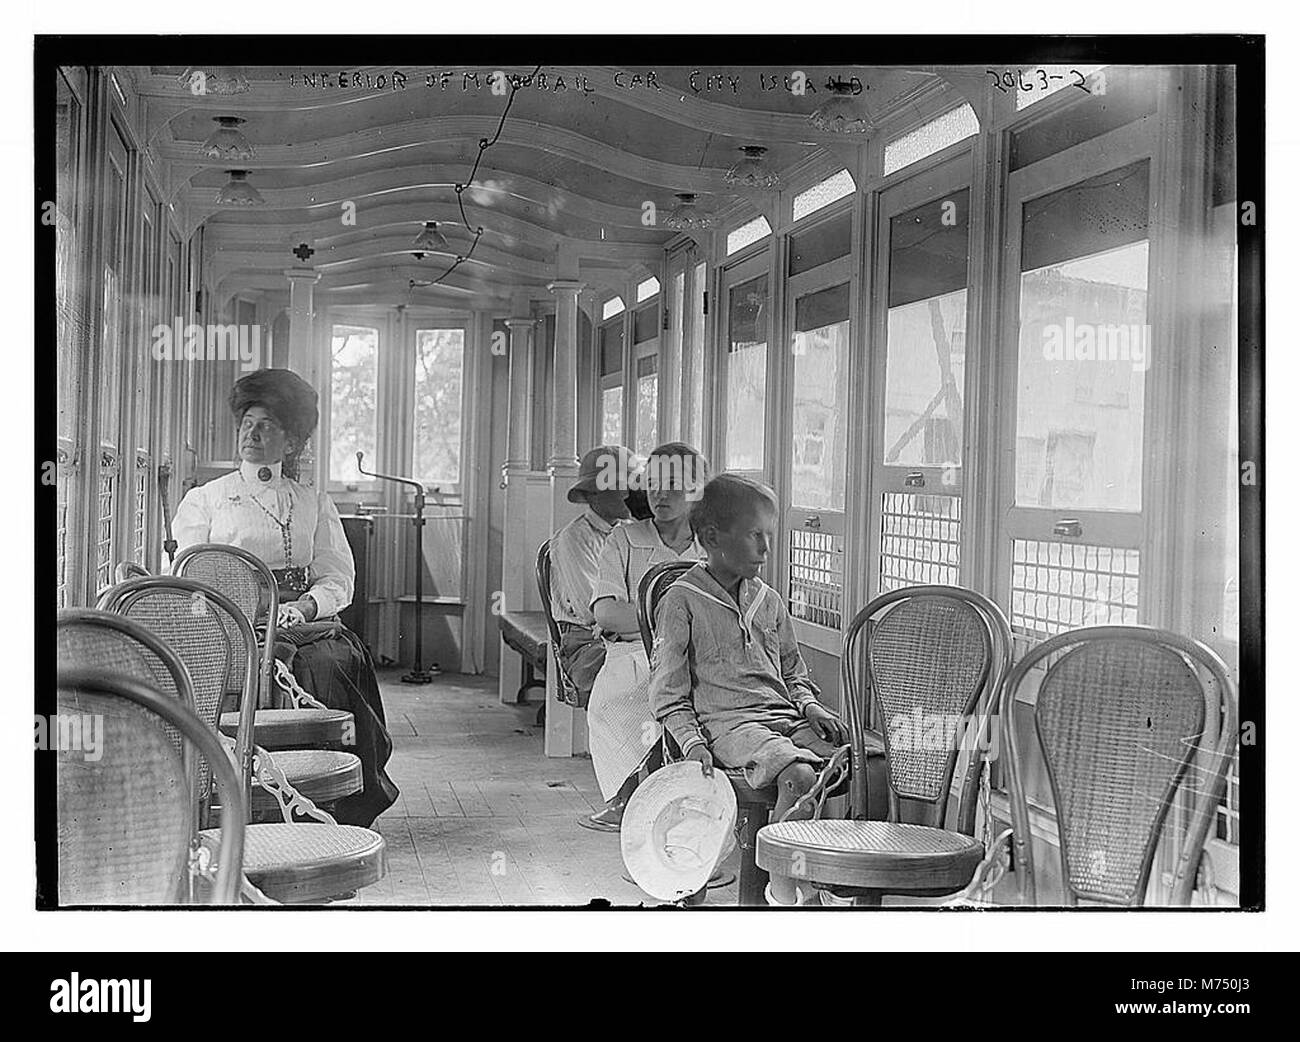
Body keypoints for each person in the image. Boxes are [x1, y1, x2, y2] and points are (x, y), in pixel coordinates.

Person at [172, 368, 399, 827]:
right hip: (225, 626)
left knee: (332, 665)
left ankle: (331, 801)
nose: (252, 435)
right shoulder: (205, 500)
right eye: (247, 425)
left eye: (266, 426)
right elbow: (187, 579)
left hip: (304, 625)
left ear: (291, 443)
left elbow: (338, 577)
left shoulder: (314, 502)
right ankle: (247, 801)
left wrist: (306, 606)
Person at [648, 474, 850, 905]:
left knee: (853, 761)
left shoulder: (769, 601)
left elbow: (794, 670)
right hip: (728, 726)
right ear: (712, 537)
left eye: (769, 536)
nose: (766, 548)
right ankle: (784, 892)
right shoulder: (682, 600)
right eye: (756, 535)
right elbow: (667, 690)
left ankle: (820, 878)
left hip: (783, 717)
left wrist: (810, 705)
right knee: (798, 775)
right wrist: (690, 742)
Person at [581, 442, 708, 831]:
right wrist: (673, 622)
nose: (661, 494)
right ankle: (634, 796)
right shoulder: (623, 539)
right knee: (622, 699)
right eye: (653, 484)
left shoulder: (710, 544)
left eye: (674, 484)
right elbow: (605, 612)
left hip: (700, 656)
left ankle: (691, 805)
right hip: (634, 654)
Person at [548, 445, 640, 707]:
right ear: (594, 493)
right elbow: (592, 613)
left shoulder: (632, 535)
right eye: (622, 487)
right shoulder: (574, 540)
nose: (630, 494)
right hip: (586, 645)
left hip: (625, 635)